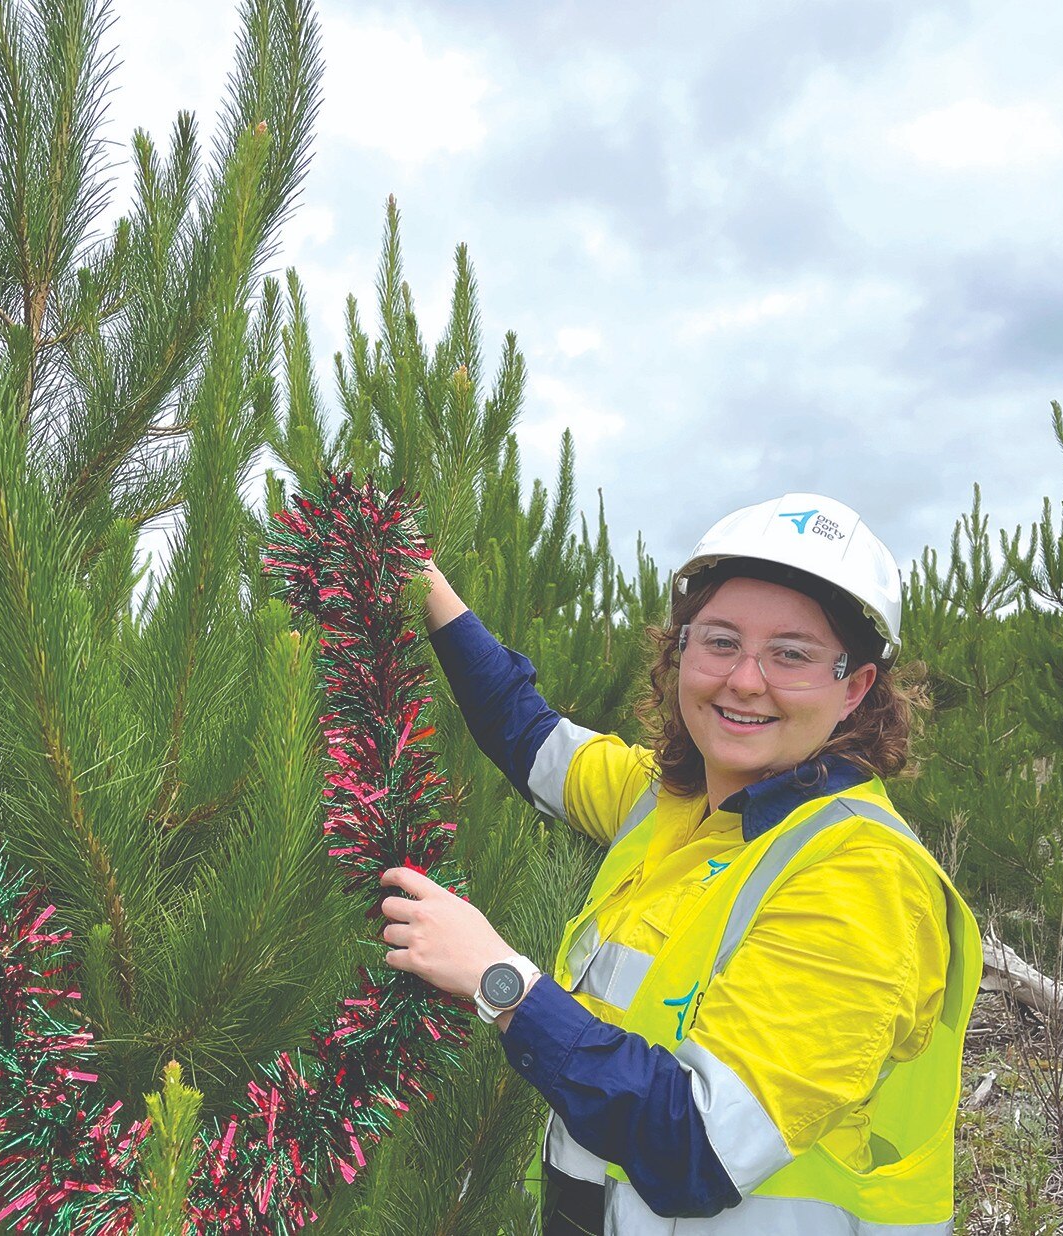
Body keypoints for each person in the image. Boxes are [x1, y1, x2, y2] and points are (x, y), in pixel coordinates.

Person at [378, 493, 982, 1235]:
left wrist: (499, 981)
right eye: (720, 641)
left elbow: (695, 1148)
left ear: (853, 687)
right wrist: (418, 576)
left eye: (790, 654)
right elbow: (523, 728)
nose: (744, 679)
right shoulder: (662, 800)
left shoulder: (864, 878)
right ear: (680, 649)